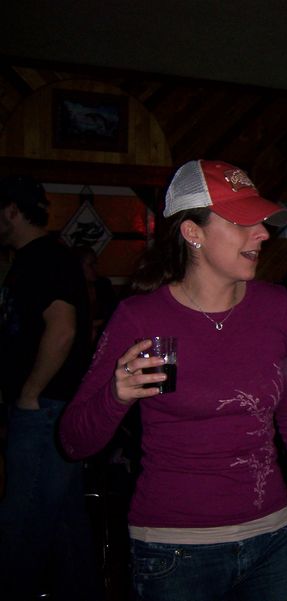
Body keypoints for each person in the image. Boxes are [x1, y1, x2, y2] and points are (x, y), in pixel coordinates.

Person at [59, 160, 287, 601]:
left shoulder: (275, 307)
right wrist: (115, 395)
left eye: (260, 221)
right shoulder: (142, 318)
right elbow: (73, 442)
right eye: (242, 223)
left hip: (273, 536)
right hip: (175, 550)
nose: (262, 233)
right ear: (193, 233)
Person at [0, 175, 102, 600]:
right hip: (48, 406)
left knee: (23, 524)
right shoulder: (32, 259)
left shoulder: (44, 259)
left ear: (11, 211)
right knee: (63, 521)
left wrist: (29, 394)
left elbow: (62, 330)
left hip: (45, 408)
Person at [72, 244, 118, 347]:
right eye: (91, 264)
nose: (95, 268)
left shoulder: (103, 285)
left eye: (96, 263)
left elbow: (115, 312)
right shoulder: (71, 290)